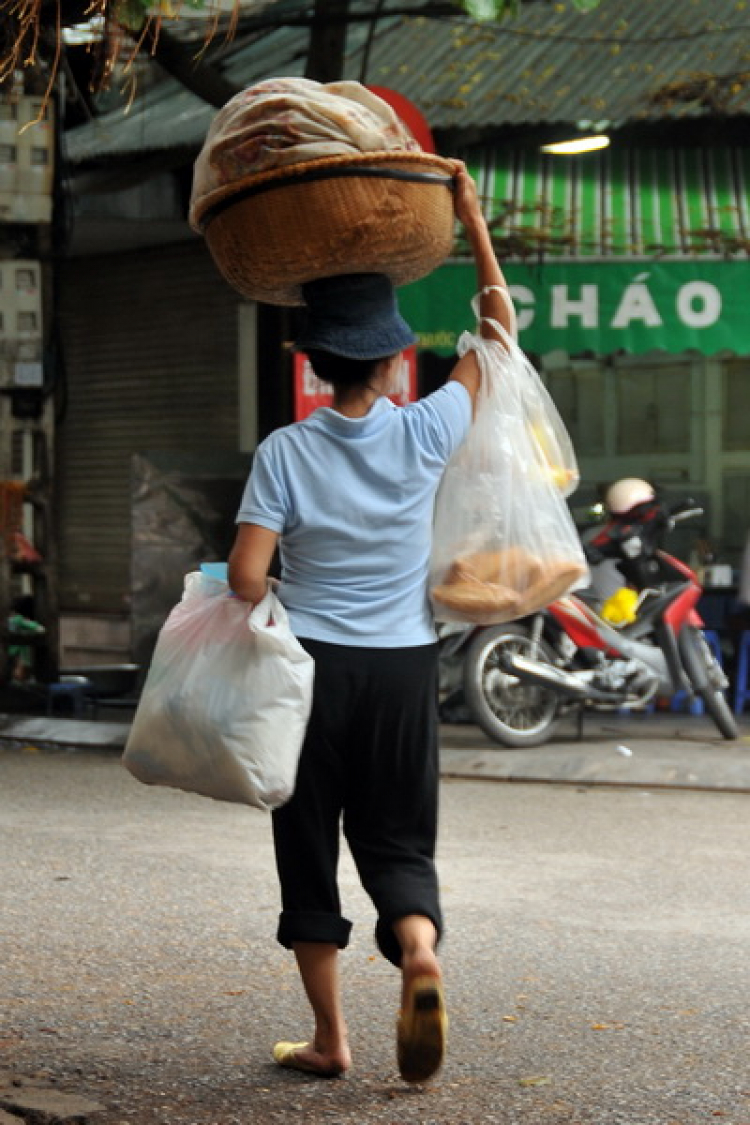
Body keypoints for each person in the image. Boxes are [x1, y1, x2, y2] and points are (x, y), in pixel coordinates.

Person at [227, 162, 512, 1083]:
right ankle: (418, 946)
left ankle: (331, 1039)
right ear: (394, 361)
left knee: (308, 843)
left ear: (313, 363)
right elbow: (499, 333)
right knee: (396, 836)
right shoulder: (426, 429)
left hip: (307, 670)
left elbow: (245, 577)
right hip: (400, 666)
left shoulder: (284, 450)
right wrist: (470, 218)